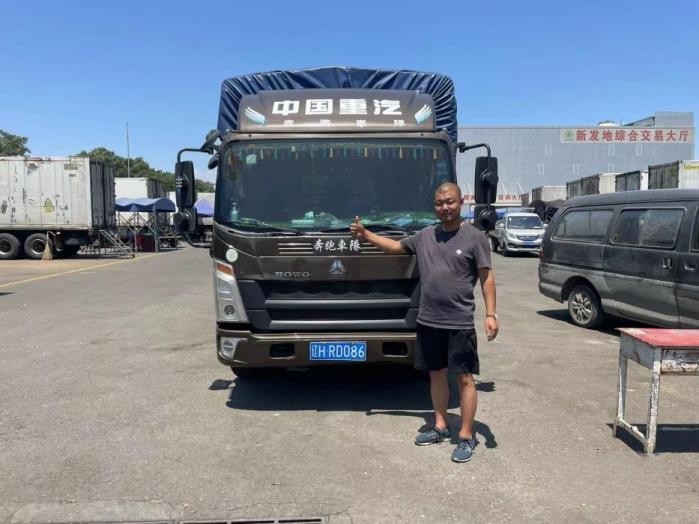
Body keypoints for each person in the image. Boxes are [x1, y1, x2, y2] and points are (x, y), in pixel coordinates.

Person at [350, 182, 498, 463]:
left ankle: (466, 436)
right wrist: (366, 234)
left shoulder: (474, 237)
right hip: (429, 320)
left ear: (461, 202)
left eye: (450, 202)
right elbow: (395, 247)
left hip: (459, 323)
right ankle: (440, 426)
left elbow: (486, 277)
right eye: (439, 203)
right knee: (436, 375)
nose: (445, 207)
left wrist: (491, 314)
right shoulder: (425, 236)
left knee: (464, 378)